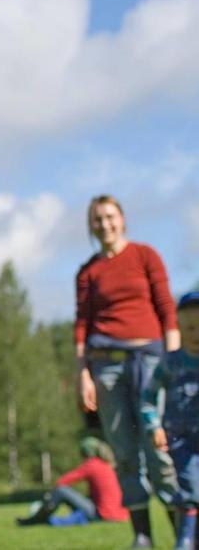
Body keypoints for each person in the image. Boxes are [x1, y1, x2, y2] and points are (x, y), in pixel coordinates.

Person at [76, 194, 180, 548]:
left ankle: (184, 534)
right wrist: (83, 373)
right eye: (97, 219)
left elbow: (166, 307)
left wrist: (176, 358)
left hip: (151, 361)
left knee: (158, 448)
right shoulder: (88, 271)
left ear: (122, 219)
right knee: (123, 453)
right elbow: (82, 326)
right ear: (92, 226)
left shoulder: (145, 256)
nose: (104, 224)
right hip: (106, 366)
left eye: (110, 216)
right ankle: (143, 536)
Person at [141, 291, 199, 550]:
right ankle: (184, 539)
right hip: (182, 441)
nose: (196, 334)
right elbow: (147, 398)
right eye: (190, 328)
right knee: (191, 487)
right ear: (179, 328)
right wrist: (154, 426)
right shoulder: (170, 363)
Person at [16, 436, 128, 527]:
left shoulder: (92, 465)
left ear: (84, 453)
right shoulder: (105, 465)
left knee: (61, 491)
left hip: (104, 515)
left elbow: (61, 482)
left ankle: (37, 519)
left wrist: (49, 496)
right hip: (118, 515)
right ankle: (41, 519)